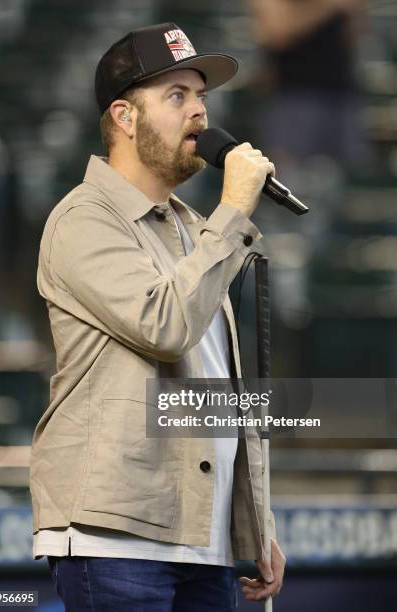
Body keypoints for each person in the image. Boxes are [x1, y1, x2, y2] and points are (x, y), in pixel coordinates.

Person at [29, 22, 285, 611]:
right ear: (124, 117)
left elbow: (214, 387)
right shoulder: (82, 220)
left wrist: (257, 519)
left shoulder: (194, 228)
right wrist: (235, 209)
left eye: (202, 97)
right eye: (177, 96)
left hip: (203, 539)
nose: (199, 112)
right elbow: (165, 328)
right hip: (118, 535)